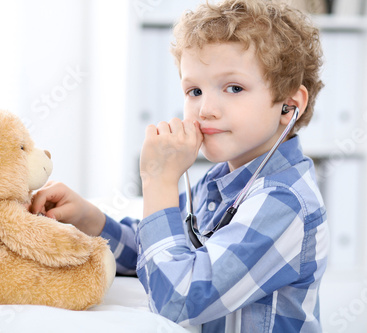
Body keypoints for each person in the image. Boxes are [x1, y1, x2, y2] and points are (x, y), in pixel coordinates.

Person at [30, 0, 329, 331]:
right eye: (195, 90)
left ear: (290, 104)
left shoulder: (283, 202)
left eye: (234, 88)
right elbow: (164, 247)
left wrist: (158, 180)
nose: (205, 110)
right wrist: (91, 219)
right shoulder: (221, 182)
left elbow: (177, 300)